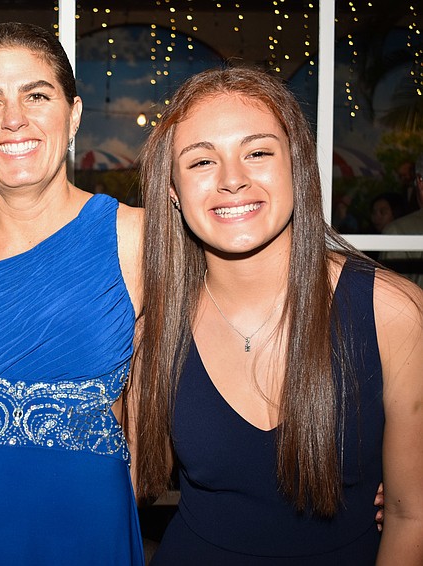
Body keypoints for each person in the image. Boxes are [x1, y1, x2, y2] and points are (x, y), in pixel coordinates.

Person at [130, 66, 423, 564]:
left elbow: (410, 517)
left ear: (298, 166)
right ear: (173, 193)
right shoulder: (152, 325)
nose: (233, 180)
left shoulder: (392, 312)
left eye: (258, 152)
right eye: (201, 162)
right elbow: (121, 484)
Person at [0, 22, 144, 564]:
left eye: (36, 95)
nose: (14, 119)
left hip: (87, 527)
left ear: (75, 113)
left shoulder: (139, 237)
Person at [382, 154, 423, 288]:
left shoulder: (398, 232)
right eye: (401, 176)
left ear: (419, 182)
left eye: (406, 176)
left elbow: (390, 296)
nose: (404, 179)